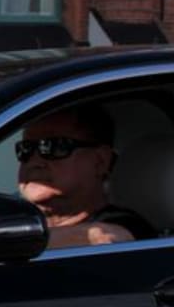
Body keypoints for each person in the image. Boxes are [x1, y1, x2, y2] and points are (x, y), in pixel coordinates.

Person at [15, 104, 156, 250]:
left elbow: (104, 237)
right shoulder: (16, 220)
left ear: (100, 162)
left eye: (56, 146)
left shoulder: (128, 226)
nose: (34, 161)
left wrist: (11, 245)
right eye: (25, 148)